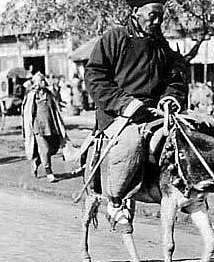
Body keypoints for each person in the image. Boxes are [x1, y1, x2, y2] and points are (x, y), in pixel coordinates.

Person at [84, 0, 188, 233]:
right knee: (131, 143)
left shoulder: (162, 46)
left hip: (154, 112)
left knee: (188, 137)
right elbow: (95, 76)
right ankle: (116, 202)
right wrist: (125, 103)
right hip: (117, 113)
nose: (158, 21)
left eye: (161, 16)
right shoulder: (114, 39)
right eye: (152, 15)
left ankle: (185, 193)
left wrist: (170, 98)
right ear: (135, 12)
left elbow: (175, 79)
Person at [22, 72, 67, 182]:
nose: (42, 82)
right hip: (38, 127)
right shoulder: (32, 95)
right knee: (45, 149)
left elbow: (55, 107)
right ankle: (49, 172)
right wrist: (29, 128)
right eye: (40, 81)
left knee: (54, 148)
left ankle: (37, 161)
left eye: (43, 80)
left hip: (51, 126)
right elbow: (28, 113)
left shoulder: (48, 93)